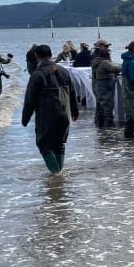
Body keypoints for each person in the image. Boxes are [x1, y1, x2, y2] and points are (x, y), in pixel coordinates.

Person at [21, 44, 79, 174]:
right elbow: (72, 93)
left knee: (44, 145)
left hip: (47, 116)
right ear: (51, 55)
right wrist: (75, 111)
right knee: (60, 145)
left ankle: (56, 174)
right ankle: (59, 175)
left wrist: (25, 119)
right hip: (65, 114)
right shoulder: (64, 71)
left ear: (37, 56)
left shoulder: (37, 75)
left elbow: (30, 99)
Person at [91, 40, 121, 128]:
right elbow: (114, 69)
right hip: (105, 88)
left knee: (100, 107)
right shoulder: (104, 62)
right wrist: (126, 65)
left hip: (98, 87)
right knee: (107, 108)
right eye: (106, 47)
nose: (108, 49)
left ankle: (101, 129)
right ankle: (108, 129)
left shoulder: (95, 61)